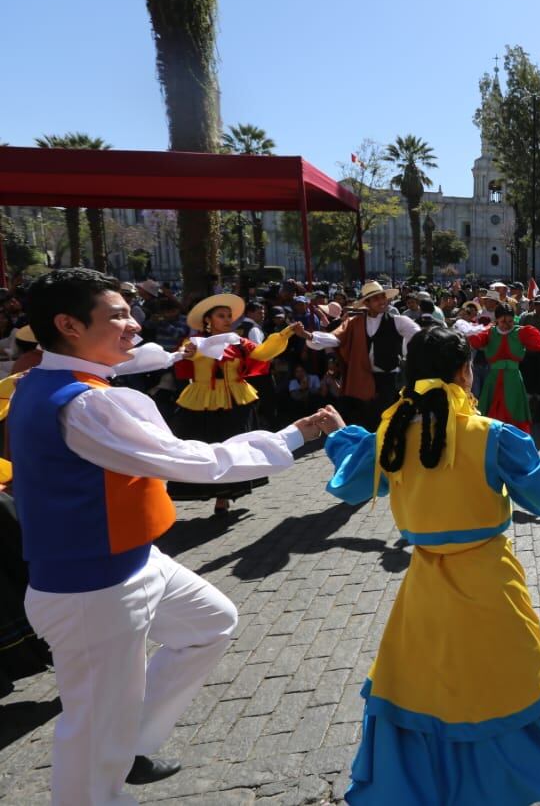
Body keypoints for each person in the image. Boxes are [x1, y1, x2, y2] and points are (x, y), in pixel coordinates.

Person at [10, 269, 340, 805]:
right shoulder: (85, 403)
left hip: (130, 564)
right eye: (116, 315)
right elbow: (194, 461)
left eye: (128, 311)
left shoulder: (55, 382)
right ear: (68, 325)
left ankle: (132, 741)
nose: (132, 323)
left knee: (211, 623)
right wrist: (292, 435)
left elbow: (149, 360)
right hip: (92, 590)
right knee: (92, 731)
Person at [323, 327, 540, 804]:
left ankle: (427, 785)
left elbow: (350, 483)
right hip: (490, 579)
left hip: (424, 583)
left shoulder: (393, 433)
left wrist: (340, 432)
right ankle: (501, 783)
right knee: (504, 680)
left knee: (427, 686)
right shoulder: (489, 436)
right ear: (465, 371)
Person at [169, 293, 302, 516]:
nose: (227, 319)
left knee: (233, 446)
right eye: (221, 315)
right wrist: (184, 354)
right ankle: (203, 489)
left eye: (229, 315)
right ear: (208, 320)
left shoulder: (238, 342)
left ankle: (224, 497)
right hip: (202, 401)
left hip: (236, 400)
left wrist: (286, 332)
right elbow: (182, 359)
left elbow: (263, 353)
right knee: (203, 446)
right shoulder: (193, 343)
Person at [306, 281, 421, 431]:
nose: (382, 301)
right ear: (367, 303)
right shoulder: (354, 323)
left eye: (383, 297)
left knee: (388, 423)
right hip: (362, 378)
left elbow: (419, 337)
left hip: (388, 380)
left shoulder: (399, 321)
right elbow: (336, 338)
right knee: (365, 421)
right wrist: (311, 337)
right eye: (376, 298)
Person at [456, 304, 540, 434]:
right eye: (503, 321)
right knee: (490, 418)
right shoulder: (489, 332)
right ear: (496, 320)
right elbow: (474, 341)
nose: (506, 324)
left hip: (513, 381)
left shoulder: (522, 332)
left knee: (514, 414)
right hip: (493, 381)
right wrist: (463, 330)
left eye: (510, 321)